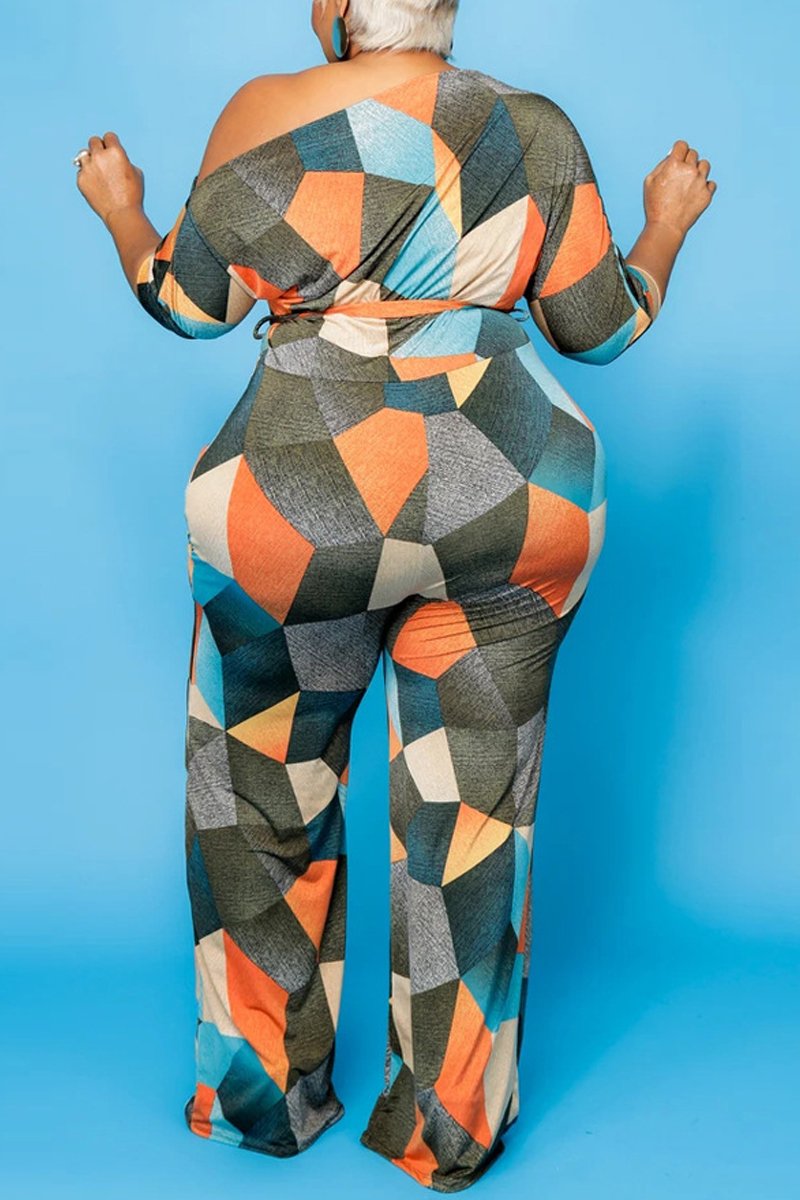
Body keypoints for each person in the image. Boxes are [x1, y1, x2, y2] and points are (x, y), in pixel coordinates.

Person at [73, 0, 715, 1191]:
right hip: (512, 493)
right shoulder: (532, 128)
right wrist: (665, 226)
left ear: (336, 10)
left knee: (258, 793)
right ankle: (446, 1130)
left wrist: (121, 209)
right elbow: (600, 326)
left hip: (304, 493)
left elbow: (186, 303)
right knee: (472, 819)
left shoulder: (262, 114)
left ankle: (266, 1102)